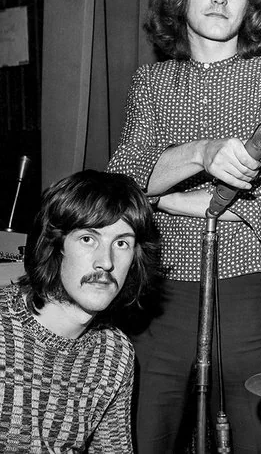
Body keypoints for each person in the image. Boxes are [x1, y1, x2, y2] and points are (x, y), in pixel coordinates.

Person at [107, 0, 261, 454]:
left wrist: (168, 195)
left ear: (253, 1)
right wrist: (201, 154)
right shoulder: (152, 83)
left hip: (247, 285)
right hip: (161, 286)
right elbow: (123, 183)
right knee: (144, 435)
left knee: (257, 437)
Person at [0, 169, 159, 453]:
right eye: (88, 239)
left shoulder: (115, 353)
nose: (106, 262)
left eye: (121, 243)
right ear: (56, 244)